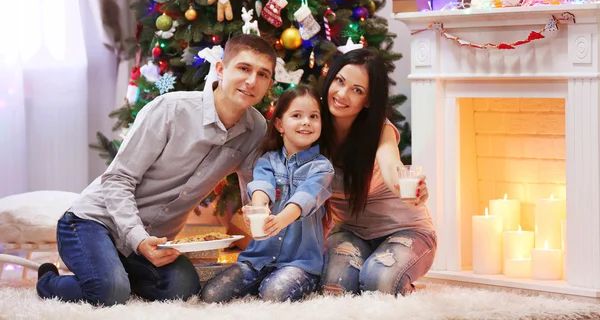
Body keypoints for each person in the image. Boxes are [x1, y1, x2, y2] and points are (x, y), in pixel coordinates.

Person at [35, 34, 277, 306]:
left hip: (156, 241)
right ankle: (49, 279)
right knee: (109, 293)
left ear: (268, 83)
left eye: (263, 74)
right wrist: (138, 240)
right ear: (221, 70)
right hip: (94, 222)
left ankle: (112, 272)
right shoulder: (170, 110)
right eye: (244, 68)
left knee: (183, 287)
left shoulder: (256, 129)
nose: (251, 81)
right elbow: (117, 179)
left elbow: (252, 184)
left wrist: (258, 214)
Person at [319, 49, 436, 296]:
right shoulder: (313, 125)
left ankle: (400, 284)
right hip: (351, 232)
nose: (342, 94)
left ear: (368, 100)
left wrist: (409, 188)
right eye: (340, 81)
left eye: (357, 90)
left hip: (405, 229)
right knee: (335, 288)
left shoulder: (379, 130)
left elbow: (392, 168)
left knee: (377, 282)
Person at [202, 85, 334, 303]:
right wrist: (258, 209)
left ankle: (277, 284)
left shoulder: (322, 168)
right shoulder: (268, 161)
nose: (306, 122)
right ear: (280, 124)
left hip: (300, 263)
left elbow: (306, 198)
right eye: (297, 115)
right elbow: (263, 187)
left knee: (274, 293)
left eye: (313, 116)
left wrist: (280, 220)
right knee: (212, 294)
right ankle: (262, 282)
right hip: (257, 259)